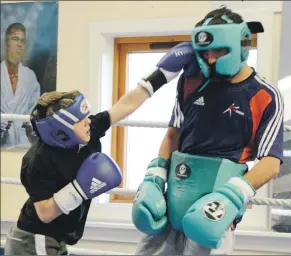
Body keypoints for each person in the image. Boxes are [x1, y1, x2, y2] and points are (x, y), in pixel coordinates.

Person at [3, 38, 198, 255]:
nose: (88, 121)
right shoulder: (38, 160)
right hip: (33, 240)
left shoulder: (88, 131)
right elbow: (45, 213)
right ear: (61, 131)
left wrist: (160, 75)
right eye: (81, 119)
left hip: (57, 238)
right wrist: (80, 188)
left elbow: (125, 106)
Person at [132, 6, 284, 255]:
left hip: (214, 208)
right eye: (204, 52)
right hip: (172, 199)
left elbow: (271, 162)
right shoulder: (190, 81)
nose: (211, 58)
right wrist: (155, 175)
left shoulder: (264, 95)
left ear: (242, 45)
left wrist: (232, 197)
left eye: (218, 50)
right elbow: (173, 135)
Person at [1, 22, 40, 148]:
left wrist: (32, 127)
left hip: (24, 146)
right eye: (15, 39)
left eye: (22, 41)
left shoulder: (30, 77)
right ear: (6, 44)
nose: (19, 44)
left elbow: (35, 111)